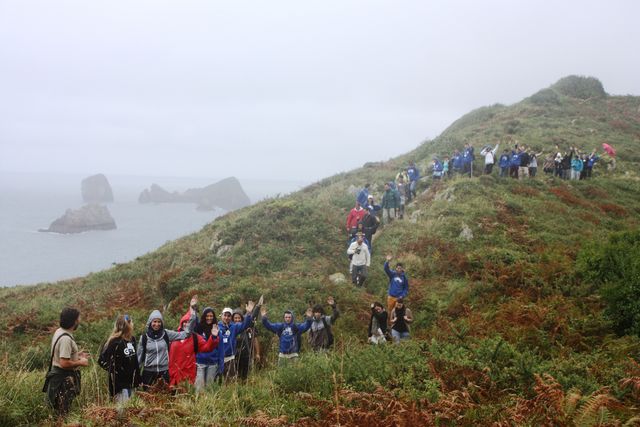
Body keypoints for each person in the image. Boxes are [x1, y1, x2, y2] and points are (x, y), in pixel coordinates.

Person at [138, 296, 197, 388]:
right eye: (154, 321)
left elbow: (186, 333)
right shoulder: (144, 338)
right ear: (150, 322)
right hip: (148, 373)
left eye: (159, 322)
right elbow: (139, 359)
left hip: (164, 372)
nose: (157, 324)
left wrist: (193, 312)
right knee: (148, 400)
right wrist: (137, 377)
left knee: (164, 398)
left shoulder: (166, 334)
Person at [44, 307, 90, 416]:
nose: (79, 321)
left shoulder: (59, 331)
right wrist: (81, 362)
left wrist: (76, 355)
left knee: (59, 411)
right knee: (63, 412)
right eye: (78, 319)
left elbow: (59, 354)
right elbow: (63, 363)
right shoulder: (66, 339)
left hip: (58, 378)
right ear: (74, 321)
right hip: (63, 380)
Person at [168, 300, 220, 388]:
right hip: (174, 375)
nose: (186, 324)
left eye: (188, 322)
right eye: (184, 322)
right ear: (181, 322)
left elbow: (207, 347)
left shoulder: (196, 337)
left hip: (188, 375)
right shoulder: (173, 336)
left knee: (190, 396)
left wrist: (213, 337)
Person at [98, 314, 141, 407]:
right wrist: (116, 371)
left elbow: (134, 360)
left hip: (132, 383)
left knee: (132, 410)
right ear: (128, 325)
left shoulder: (132, 339)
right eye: (131, 322)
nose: (133, 324)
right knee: (122, 411)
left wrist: (138, 378)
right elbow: (101, 360)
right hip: (120, 386)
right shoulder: (114, 342)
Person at [219, 300, 257, 381]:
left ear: (230, 317)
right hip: (219, 359)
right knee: (218, 381)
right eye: (225, 315)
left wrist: (248, 313)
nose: (226, 317)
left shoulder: (234, 327)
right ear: (221, 316)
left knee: (231, 381)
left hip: (230, 358)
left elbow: (245, 325)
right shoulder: (217, 327)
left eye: (229, 316)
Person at [194, 307, 222, 391]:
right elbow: (193, 321)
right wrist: (193, 308)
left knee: (210, 387)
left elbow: (220, 348)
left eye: (211, 316)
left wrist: (220, 364)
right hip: (200, 362)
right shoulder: (199, 328)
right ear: (203, 316)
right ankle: (198, 402)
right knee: (199, 387)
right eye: (207, 316)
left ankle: (208, 403)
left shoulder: (216, 329)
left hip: (212, 362)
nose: (209, 318)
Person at [232, 303, 261, 381]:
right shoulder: (231, 328)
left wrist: (257, 307)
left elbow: (255, 339)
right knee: (234, 376)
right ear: (232, 319)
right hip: (234, 356)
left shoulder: (247, 326)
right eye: (235, 318)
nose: (237, 320)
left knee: (245, 376)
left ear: (242, 318)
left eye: (239, 318)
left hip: (246, 355)